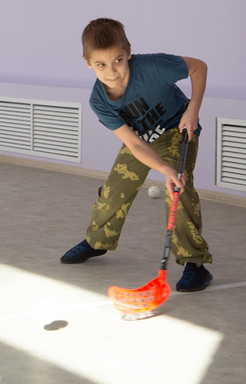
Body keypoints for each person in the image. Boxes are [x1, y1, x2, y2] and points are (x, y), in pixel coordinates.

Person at [60, 18, 213, 292]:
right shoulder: (99, 101)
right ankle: (98, 241)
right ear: (88, 63)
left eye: (118, 60)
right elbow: (133, 143)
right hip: (141, 141)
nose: (112, 72)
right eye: (101, 65)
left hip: (177, 130)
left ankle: (195, 264)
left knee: (178, 190)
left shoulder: (154, 67)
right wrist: (162, 168)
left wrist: (193, 110)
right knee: (114, 190)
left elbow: (198, 67)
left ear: (128, 52)